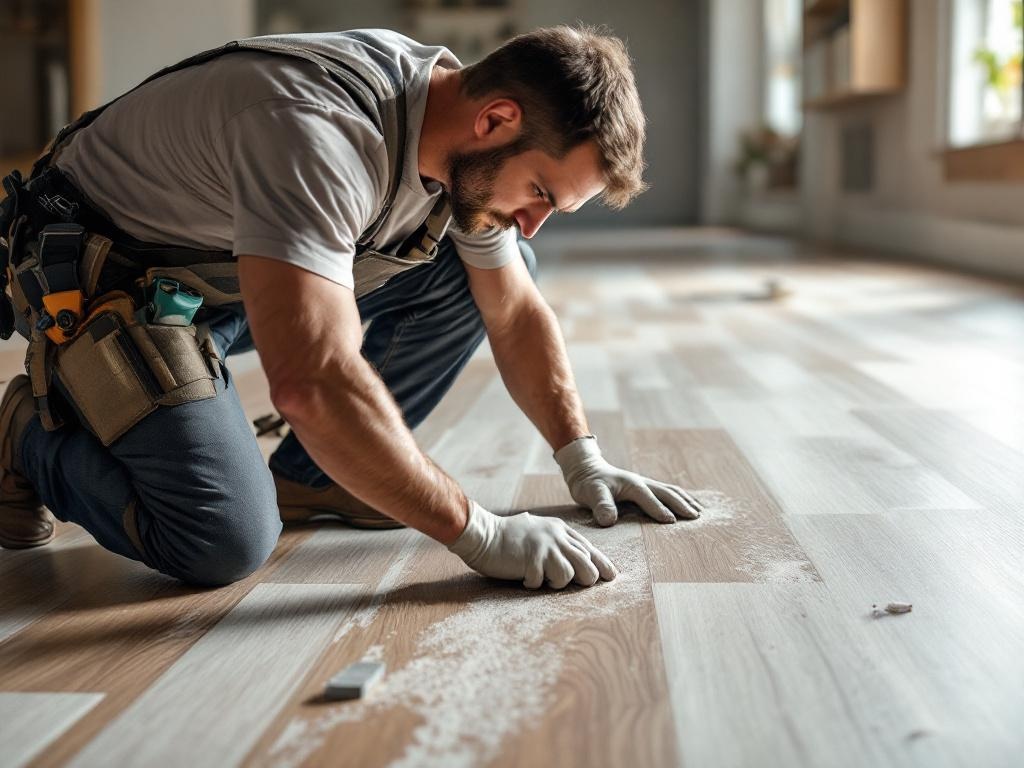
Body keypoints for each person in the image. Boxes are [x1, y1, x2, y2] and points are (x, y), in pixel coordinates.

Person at [0, 25, 702, 590]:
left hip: (234, 275)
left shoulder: (453, 125)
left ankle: (312, 478)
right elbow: (310, 379)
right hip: (110, 291)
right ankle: (27, 437)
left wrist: (583, 460)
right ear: (497, 118)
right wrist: (478, 534)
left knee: (493, 269)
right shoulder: (319, 132)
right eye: (542, 193)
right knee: (220, 541)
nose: (532, 221)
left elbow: (514, 313)